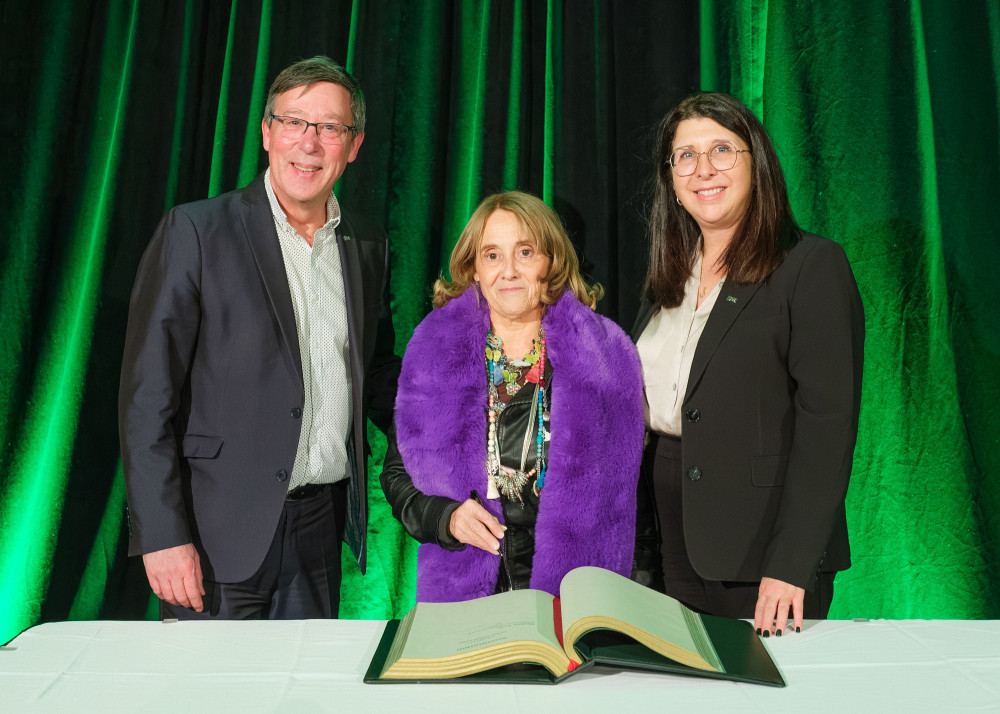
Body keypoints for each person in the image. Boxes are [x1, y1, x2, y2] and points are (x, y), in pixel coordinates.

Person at [119, 56, 400, 620]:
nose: (311, 142)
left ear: (354, 144)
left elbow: (376, 374)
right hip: (213, 535)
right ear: (267, 131)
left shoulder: (366, 244)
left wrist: (466, 412)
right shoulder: (196, 231)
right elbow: (147, 397)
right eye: (295, 122)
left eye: (330, 128)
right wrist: (161, 533)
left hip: (318, 531)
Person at [633, 92, 863, 636]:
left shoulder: (810, 265)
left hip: (759, 550)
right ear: (670, 178)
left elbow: (828, 428)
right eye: (684, 156)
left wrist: (791, 565)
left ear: (755, 161)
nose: (702, 169)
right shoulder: (668, 275)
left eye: (721, 150)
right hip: (667, 538)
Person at [380, 191, 645, 601]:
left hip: (576, 598)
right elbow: (397, 478)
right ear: (473, 270)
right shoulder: (434, 353)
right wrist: (444, 518)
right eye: (491, 255)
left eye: (525, 252)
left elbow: (632, 499)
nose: (508, 271)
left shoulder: (605, 358)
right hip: (466, 595)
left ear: (551, 262)